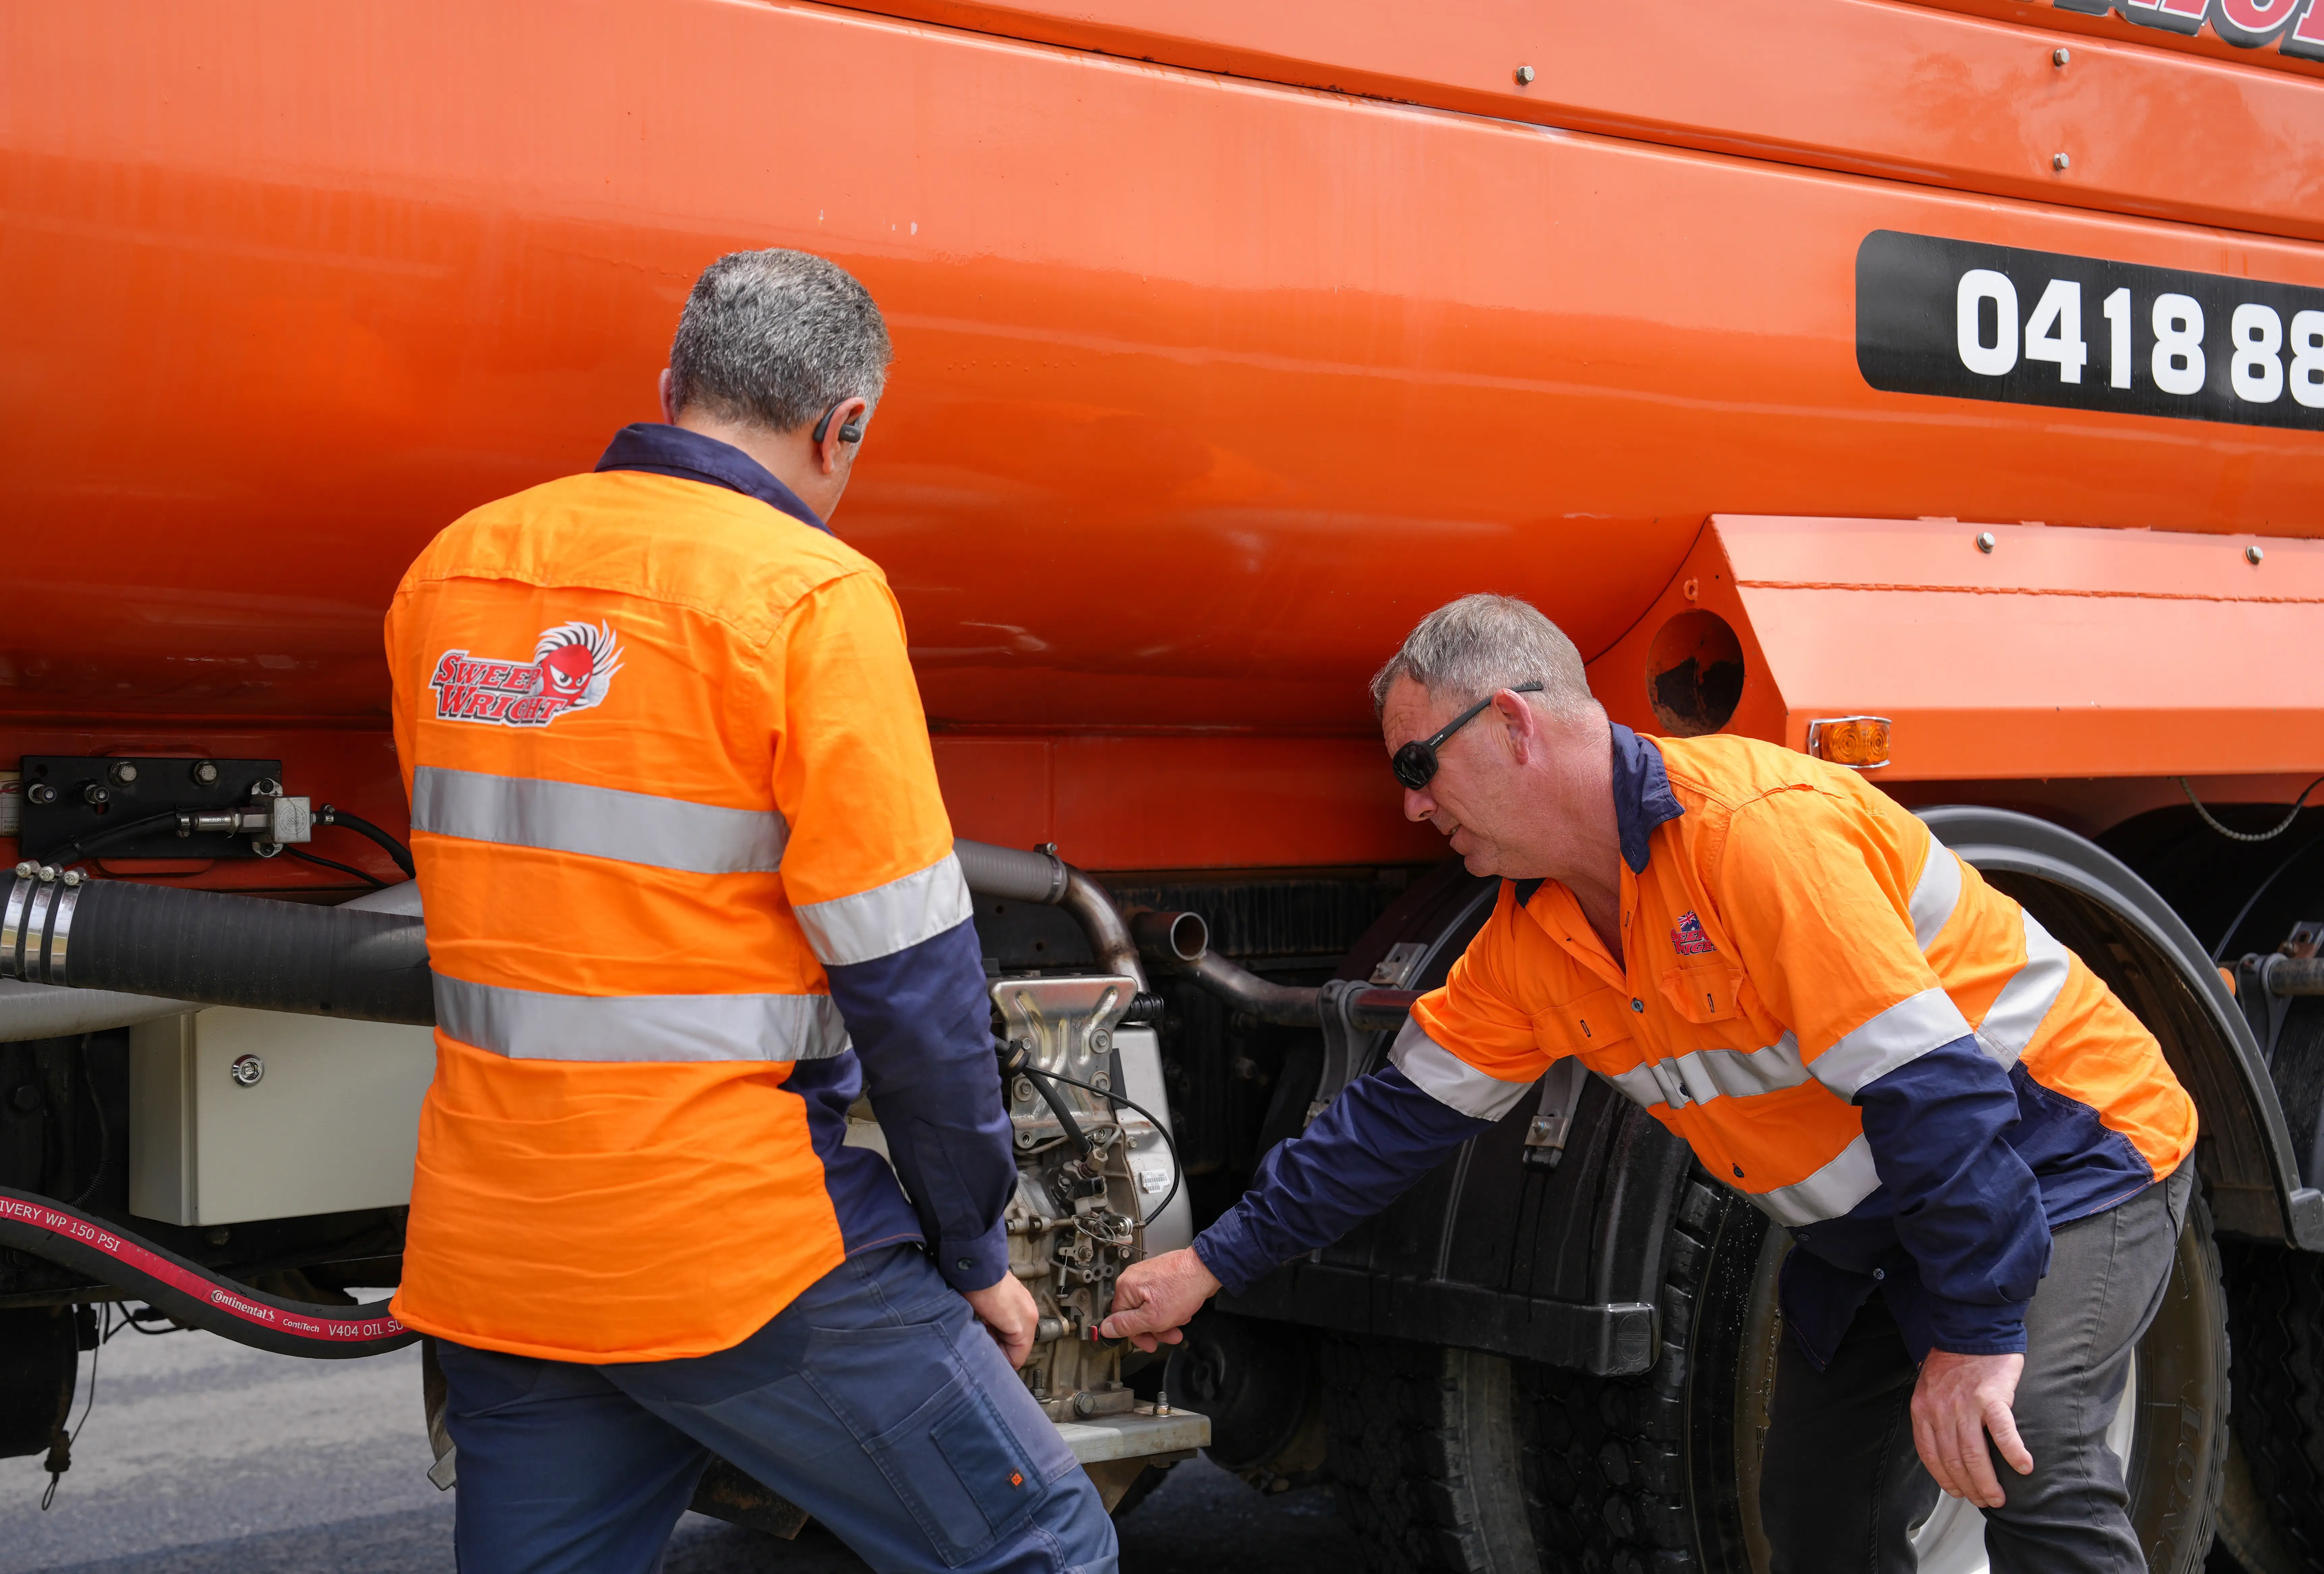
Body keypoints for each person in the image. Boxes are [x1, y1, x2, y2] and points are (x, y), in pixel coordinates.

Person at [1103, 593, 2199, 1574]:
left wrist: (1971, 1338)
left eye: (1414, 766)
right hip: (1894, 1222)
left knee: (2025, 1447)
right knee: (1821, 1518)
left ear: (1514, 724)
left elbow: (1939, 1098)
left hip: (2070, 1153)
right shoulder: (1528, 944)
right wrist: (1208, 1263)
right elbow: (1388, 1128)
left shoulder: (1756, 841)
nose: (1412, 810)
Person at [382, 249, 1115, 1574]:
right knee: (1043, 1549)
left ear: (670, 387)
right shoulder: (811, 600)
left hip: (504, 1248)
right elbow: (912, 981)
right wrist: (970, 1243)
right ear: (846, 427)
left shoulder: (452, 574)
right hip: (736, 1252)